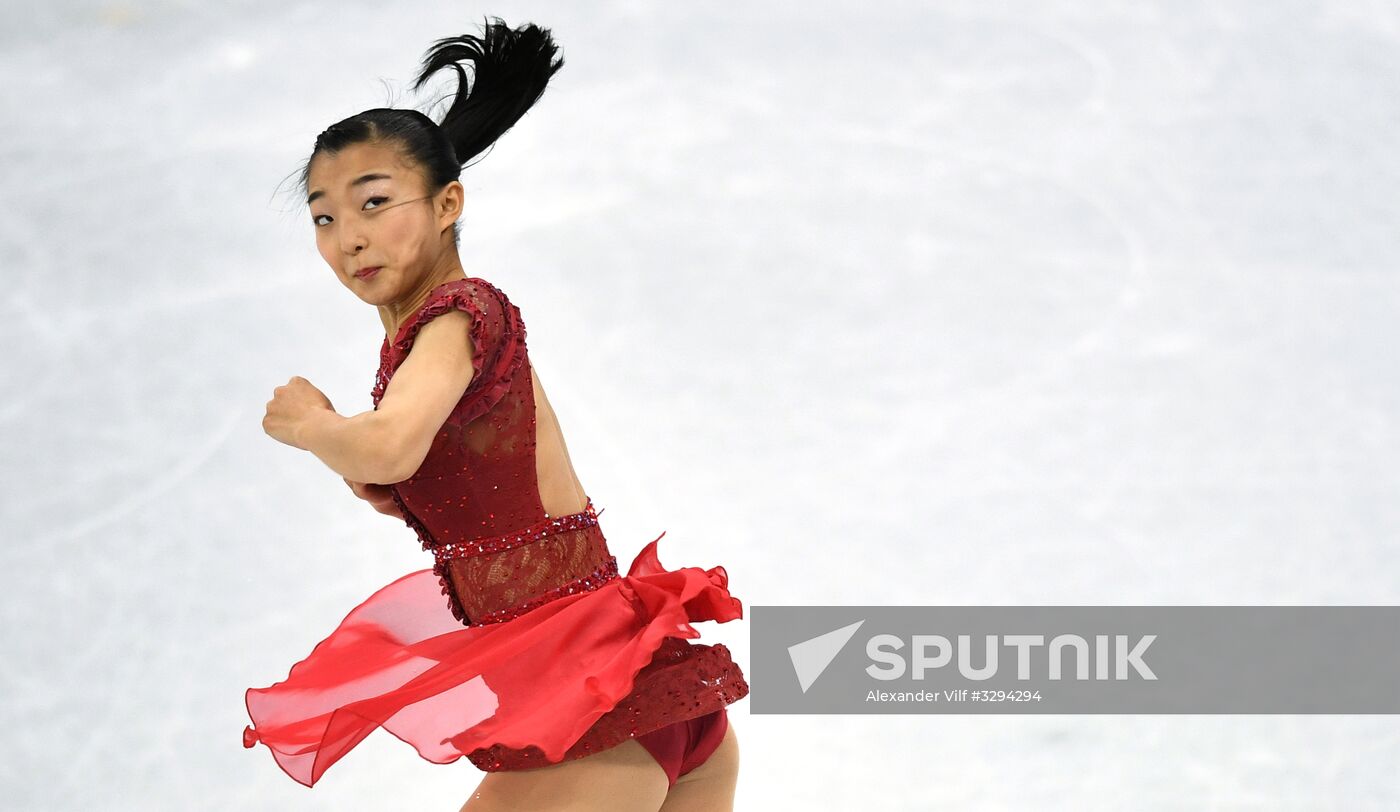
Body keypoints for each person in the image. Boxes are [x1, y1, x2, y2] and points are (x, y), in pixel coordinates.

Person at [242, 17, 750, 811]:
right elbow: (440, 468)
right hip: (640, 699)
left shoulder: (456, 312)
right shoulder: (429, 340)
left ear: (449, 203)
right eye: (325, 217)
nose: (349, 238)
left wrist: (311, 423)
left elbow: (386, 446)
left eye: (374, 203)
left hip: (598, 709)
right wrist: (391, 480)